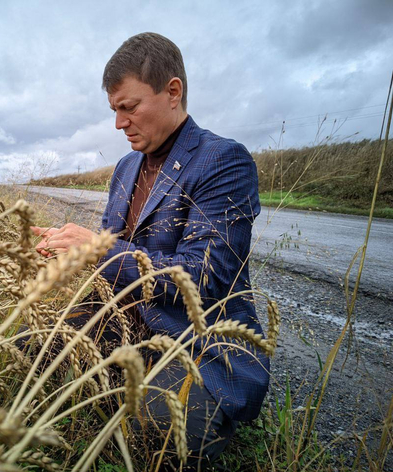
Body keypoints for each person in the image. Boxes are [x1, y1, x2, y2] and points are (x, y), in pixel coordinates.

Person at [32, 32, 269, 469]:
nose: (119, 124)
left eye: (129, 107)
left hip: (196, 341)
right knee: (35, 354)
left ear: (173, 92)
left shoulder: (224, 161)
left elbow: (202, 279)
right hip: (124, 320)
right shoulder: (124, 167)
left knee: (160, 432)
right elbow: (111, 250)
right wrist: (69, 254)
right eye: (114, 110)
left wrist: (97, 250)